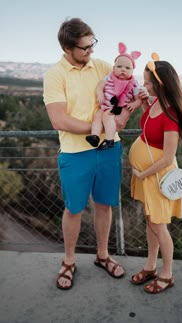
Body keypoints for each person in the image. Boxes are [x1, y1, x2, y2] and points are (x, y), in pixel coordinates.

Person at [43, 18, 130, 290]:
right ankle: (68, 262)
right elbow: (59, 120)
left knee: (105, 204)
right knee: (73, 209)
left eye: (93, 44)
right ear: (68, 48)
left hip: (109, 151)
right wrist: (100, 129)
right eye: (84, 47)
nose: (91, 51)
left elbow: (127, 91)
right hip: (74, 154)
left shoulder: (103, 66)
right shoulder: (55, 75)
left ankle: (103, 255)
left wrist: (124, 116)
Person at [129, 52, 182, 294]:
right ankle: (151, 266)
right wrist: (145, 104)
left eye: (147, 82)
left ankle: (167, 275)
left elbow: (167, 157)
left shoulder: (171, 115)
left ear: (160, 84)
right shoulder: (156, 104)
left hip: (156, 177)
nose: (142, 86)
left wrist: (143, 174)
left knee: (159, 226)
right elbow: (148, 127)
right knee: (150, 221)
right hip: (147, 176)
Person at [86, 43, 142, 150]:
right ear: (113, 67)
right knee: (97, 116)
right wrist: (100, 93)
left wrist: (134, 104)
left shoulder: (134, 83)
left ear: (132, 71)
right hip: (106, 105)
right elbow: (100, 85)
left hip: (119, 107)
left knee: (107, 116)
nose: (123, 70)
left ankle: (109, 140)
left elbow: (138, 99)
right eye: (119, 66)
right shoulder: (109, 77)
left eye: (127, 68)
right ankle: (95, 136)